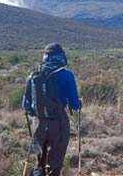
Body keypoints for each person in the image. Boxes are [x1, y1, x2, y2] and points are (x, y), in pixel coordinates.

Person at [22, 43, 81, 176]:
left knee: (40, 162)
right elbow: (75, 105)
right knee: (54, 166)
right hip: (59, 124)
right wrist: (79, 104)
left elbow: (25, 105)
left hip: (38, 124)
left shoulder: (33, 74)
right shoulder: (66, 75)